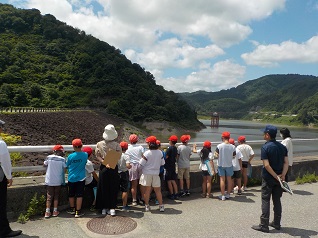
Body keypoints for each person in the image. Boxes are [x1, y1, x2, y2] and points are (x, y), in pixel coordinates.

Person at [252, 125, 288, 233]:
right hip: (279, 178)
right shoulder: (282, 147)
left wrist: (274, 176)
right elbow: (286, 162)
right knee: (277, 200)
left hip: (269, 178)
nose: (263, 135)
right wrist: (282, 175)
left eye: (264, 133)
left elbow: (266, 165)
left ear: (267, 135)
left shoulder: (265, 147)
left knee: (265, 200)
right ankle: (277, 223)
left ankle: (264, 225)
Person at [0, 120, 22, 237]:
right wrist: (9, 177)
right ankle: (4, 230)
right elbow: (5, 162)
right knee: (1, 204)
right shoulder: (1, 143)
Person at [95, 124, 121, 216]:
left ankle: (103, 207)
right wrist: (110, 162)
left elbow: (97, 156)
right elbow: (119, 156)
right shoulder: (117, 145)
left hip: (103, 167)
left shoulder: (99, 144)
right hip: (113, 167)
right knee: (113, 187)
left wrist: (104, 162)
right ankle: (112, 207)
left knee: (103, 187)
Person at [139, 136, 165, 212]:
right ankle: (161, 206)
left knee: (147, 191)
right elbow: (162, 163)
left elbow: (141, 164)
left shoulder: (146, 153)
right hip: (156, 173)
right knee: (158, 191)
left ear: (149, 144)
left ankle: (147, 206)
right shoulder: (160, 152)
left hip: (147, 173)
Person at [66, 138, 88, 218]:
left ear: (73, 147)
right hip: (81, 177)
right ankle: (78, 212)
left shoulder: (70, 156)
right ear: (81, 146)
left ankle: (72, 209)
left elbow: (67, 165)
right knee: (79, 195)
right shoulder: (85, 155)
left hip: (71, 177)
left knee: (71, 194)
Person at [43, 144, 67, 218]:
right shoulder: (62, 159)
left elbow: (44, 164)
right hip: (58, 180)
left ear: (54, 151)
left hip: (49, 180)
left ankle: (47, 212)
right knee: (56, 195)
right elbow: (65, 168)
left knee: (49, 196)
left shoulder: (49, 157)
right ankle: (55, 211)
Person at [215, 131, 236, 201]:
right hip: (229, 164)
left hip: (221, 164)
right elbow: (234, 156)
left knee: (222, 179)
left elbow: (216, 155)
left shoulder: (219, 146)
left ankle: (223, 195)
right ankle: (228, 194)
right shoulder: (233, 147)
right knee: (229, 180)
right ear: (229, 138)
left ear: (223, 137)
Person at [125, 134, 145, 206]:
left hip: (132, 166)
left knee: (134, 184)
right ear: (137, 140)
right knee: (142, 183)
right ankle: (143, 198)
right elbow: (143, 156)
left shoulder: (128, 148)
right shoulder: (140, 147)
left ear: (130, 141)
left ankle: (134, 200)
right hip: (140, 165)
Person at [82, 146, 99, 212]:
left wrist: (92, 162)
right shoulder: (88, 163)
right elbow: (94, 174)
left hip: (80, 180)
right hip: (88, 181)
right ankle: (94, 203)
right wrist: (99, 181)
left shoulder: (82, 160)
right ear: (91, 154)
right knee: (97, 185)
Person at [118, 141, 131, 211]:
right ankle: (124, 206)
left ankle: (114, 205)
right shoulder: (126, 156)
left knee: (116, 189)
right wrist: (130, 166)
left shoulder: (116, 154)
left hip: (117, 173)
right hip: (124, 173)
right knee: (125, 190)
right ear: (126, 148)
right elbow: (128, 166)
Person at [164, 135, 179, 200]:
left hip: (168, 166)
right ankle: (176, 194)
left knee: (169, 181)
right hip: (173, 165)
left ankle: (172, 194)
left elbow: (166, 157)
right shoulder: (175, 148)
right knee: (173, 180)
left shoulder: (169, 148)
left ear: (171, 141)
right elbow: (176, 156)